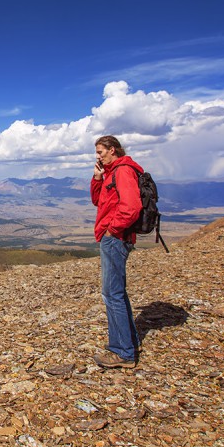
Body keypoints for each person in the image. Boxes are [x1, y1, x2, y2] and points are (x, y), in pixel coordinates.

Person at [91, 135, 142, 369]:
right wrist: (97, 178)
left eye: (101, 151)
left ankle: (123, 352)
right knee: (117, 293)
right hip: (113, 237)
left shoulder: (123, 171)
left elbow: (132, 207)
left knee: (111, 294)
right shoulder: (111, 173)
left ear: (113, 150)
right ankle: (129, 341)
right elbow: (97, 201)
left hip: (116, 238)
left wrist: (112, 230)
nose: (98, 156)